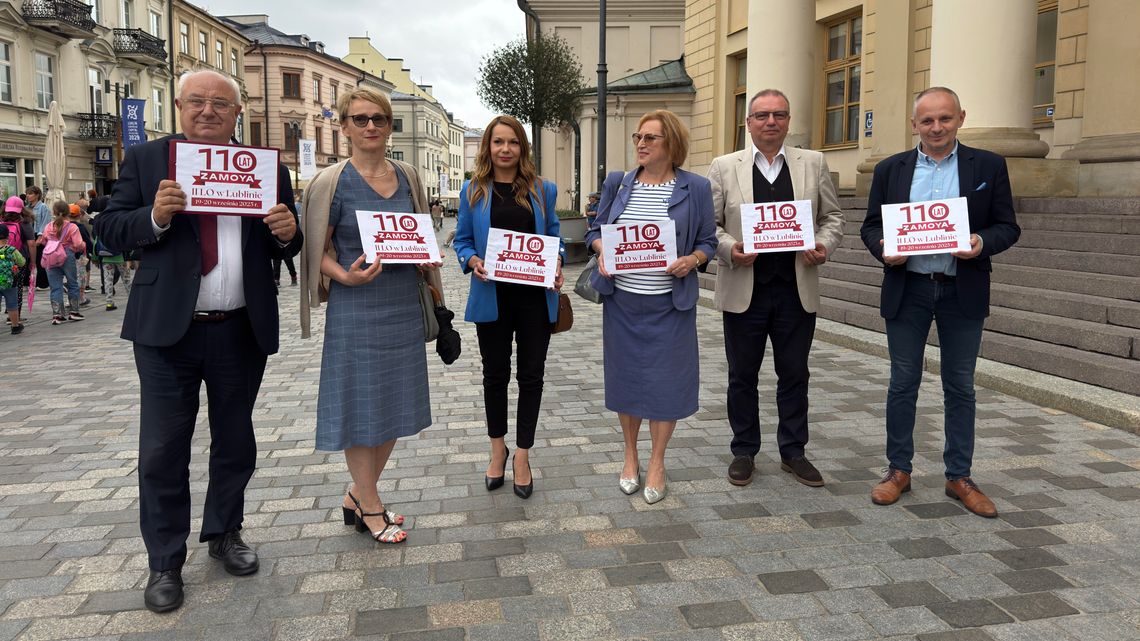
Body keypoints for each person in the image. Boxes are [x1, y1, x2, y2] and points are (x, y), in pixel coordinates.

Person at [93, 69, 302, 613]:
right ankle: (165, 561)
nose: (209, 112)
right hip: (167, 332)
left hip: (240, 327)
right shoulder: (148, 162)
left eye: (221, 105)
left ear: (238, 113)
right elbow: (108, 231)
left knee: (235, 441)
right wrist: (155, 217)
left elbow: (287, 237)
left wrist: (288, 233)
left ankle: (225, 532)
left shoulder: (262, 167)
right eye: (197, 102)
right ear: (179, 107)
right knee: (163, 449)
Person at [860, 86, 1020, 518]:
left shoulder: (987, 165)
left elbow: (1008, 226)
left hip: (960, 288)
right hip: (907, 288)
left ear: (960, 118)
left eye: (944, 119)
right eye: (927, 120)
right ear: (915, 124)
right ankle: (898, 470)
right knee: (902, 382)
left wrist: (982, 242)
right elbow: (871, 225)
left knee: (960, 386)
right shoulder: (891, 168)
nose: (936, 127)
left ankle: (959, 476)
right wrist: (882, 248)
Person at [299, 87, 438, 545]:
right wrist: (344, 275)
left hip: (401, 303)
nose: (371, 126)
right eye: (360, 119)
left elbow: (420, 233)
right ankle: (371, 502)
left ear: (389, 124)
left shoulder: (409, 175)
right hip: (356, 305)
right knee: (361, 403)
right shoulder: (331, 182)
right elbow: (313, 249)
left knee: (396, 401)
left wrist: (425, 259)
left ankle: (358, 494)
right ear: (344, 127)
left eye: (379, 118)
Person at [707, 88, 845, 489]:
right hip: (743, 289)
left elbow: (833, 216)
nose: (771, 122)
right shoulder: (723, 166)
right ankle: (744, 450)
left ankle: (793, 451)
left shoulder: (813, 163)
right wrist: (731, 248)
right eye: (762, 115)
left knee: (794, 373)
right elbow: (708, 225)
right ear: (748, 123)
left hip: (795, 287)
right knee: (741, 375)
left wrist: (824, 244)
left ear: (788, 121)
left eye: (779, 115)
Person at [585, 109, 718, 504]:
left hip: (670, 306)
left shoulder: (695, 188)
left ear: (672, 144)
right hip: (623, 303)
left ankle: (657, 461)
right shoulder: (618, 183)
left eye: (650, 138)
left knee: (666, 384)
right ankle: (630, 455)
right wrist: (601, 252)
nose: (641, 144)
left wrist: (692, 261)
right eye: (638, 138)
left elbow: (708, 242)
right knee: (627, 380)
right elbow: (596, 231)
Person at [453, 114, 563, 500]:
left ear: (522, 148)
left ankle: (523, 455)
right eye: (498, 142)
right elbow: (462, 241)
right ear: (488, 147)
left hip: (535, 298)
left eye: (512, 142)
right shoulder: (473, 191)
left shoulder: (542, 190)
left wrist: (558, 261)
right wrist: (472, 261)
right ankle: (497, 449)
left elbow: (553, 237)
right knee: (495, 376)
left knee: (532, 377)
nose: (505, 149)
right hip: (493, 296)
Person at [41, 201, 87, 325]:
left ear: (54, 212)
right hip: (67, 255)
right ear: (68, 212)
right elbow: (78, 244)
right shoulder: (72, 227)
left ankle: (57, 314)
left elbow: (44, 241)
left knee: (55, 286)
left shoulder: (49, 226)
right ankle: (74, 312)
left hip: (51, 257)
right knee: (72, 283)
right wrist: (82, 246)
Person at [2, 197, 35, 331]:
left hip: (0, 260)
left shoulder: (1, 222)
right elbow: (31, 244)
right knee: (16, 290)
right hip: (16, 263)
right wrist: (33, 262)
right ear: (22, 209)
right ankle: (15, 319)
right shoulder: (24, 224)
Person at [0, 224, 27, 334]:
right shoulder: (11, 250)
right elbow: (22, 262)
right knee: (12, 304)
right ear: (8, 237)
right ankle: (15, 326)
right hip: (10, 281)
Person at [26, 186, 50, 288]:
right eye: (27, 193)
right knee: (29, 259)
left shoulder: (43, 207)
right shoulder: (27, 207)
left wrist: (40, 236)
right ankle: (29, 281)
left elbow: (45, 222)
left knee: (39, 259)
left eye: (30, 193)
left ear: (37, 195)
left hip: (38, 234)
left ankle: (42, 283)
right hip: (28, 235)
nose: (28, 195)